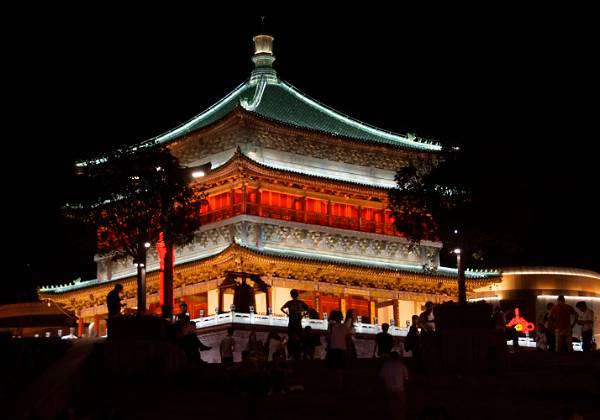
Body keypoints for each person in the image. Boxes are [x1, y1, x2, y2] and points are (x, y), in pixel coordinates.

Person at [380, 351, 410, 420]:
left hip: (389, 389)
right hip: (399, 389)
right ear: (398, 357)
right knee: (401, 408)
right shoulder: (402, 365)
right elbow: (406, 378)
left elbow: (381, 377)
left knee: (390, 408)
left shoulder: (385, 365)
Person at [281, 289, 308, 360]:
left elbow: (282, 309)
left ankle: (291, 353)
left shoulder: (290, 302)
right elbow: (308, 309)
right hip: (298, 322)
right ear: (297, 295)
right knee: (300, 338)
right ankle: (301, 353)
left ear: (291, 295)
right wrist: (303, 315)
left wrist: (287, 314)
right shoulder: (301, 302)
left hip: (292, 322)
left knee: (291, 337)